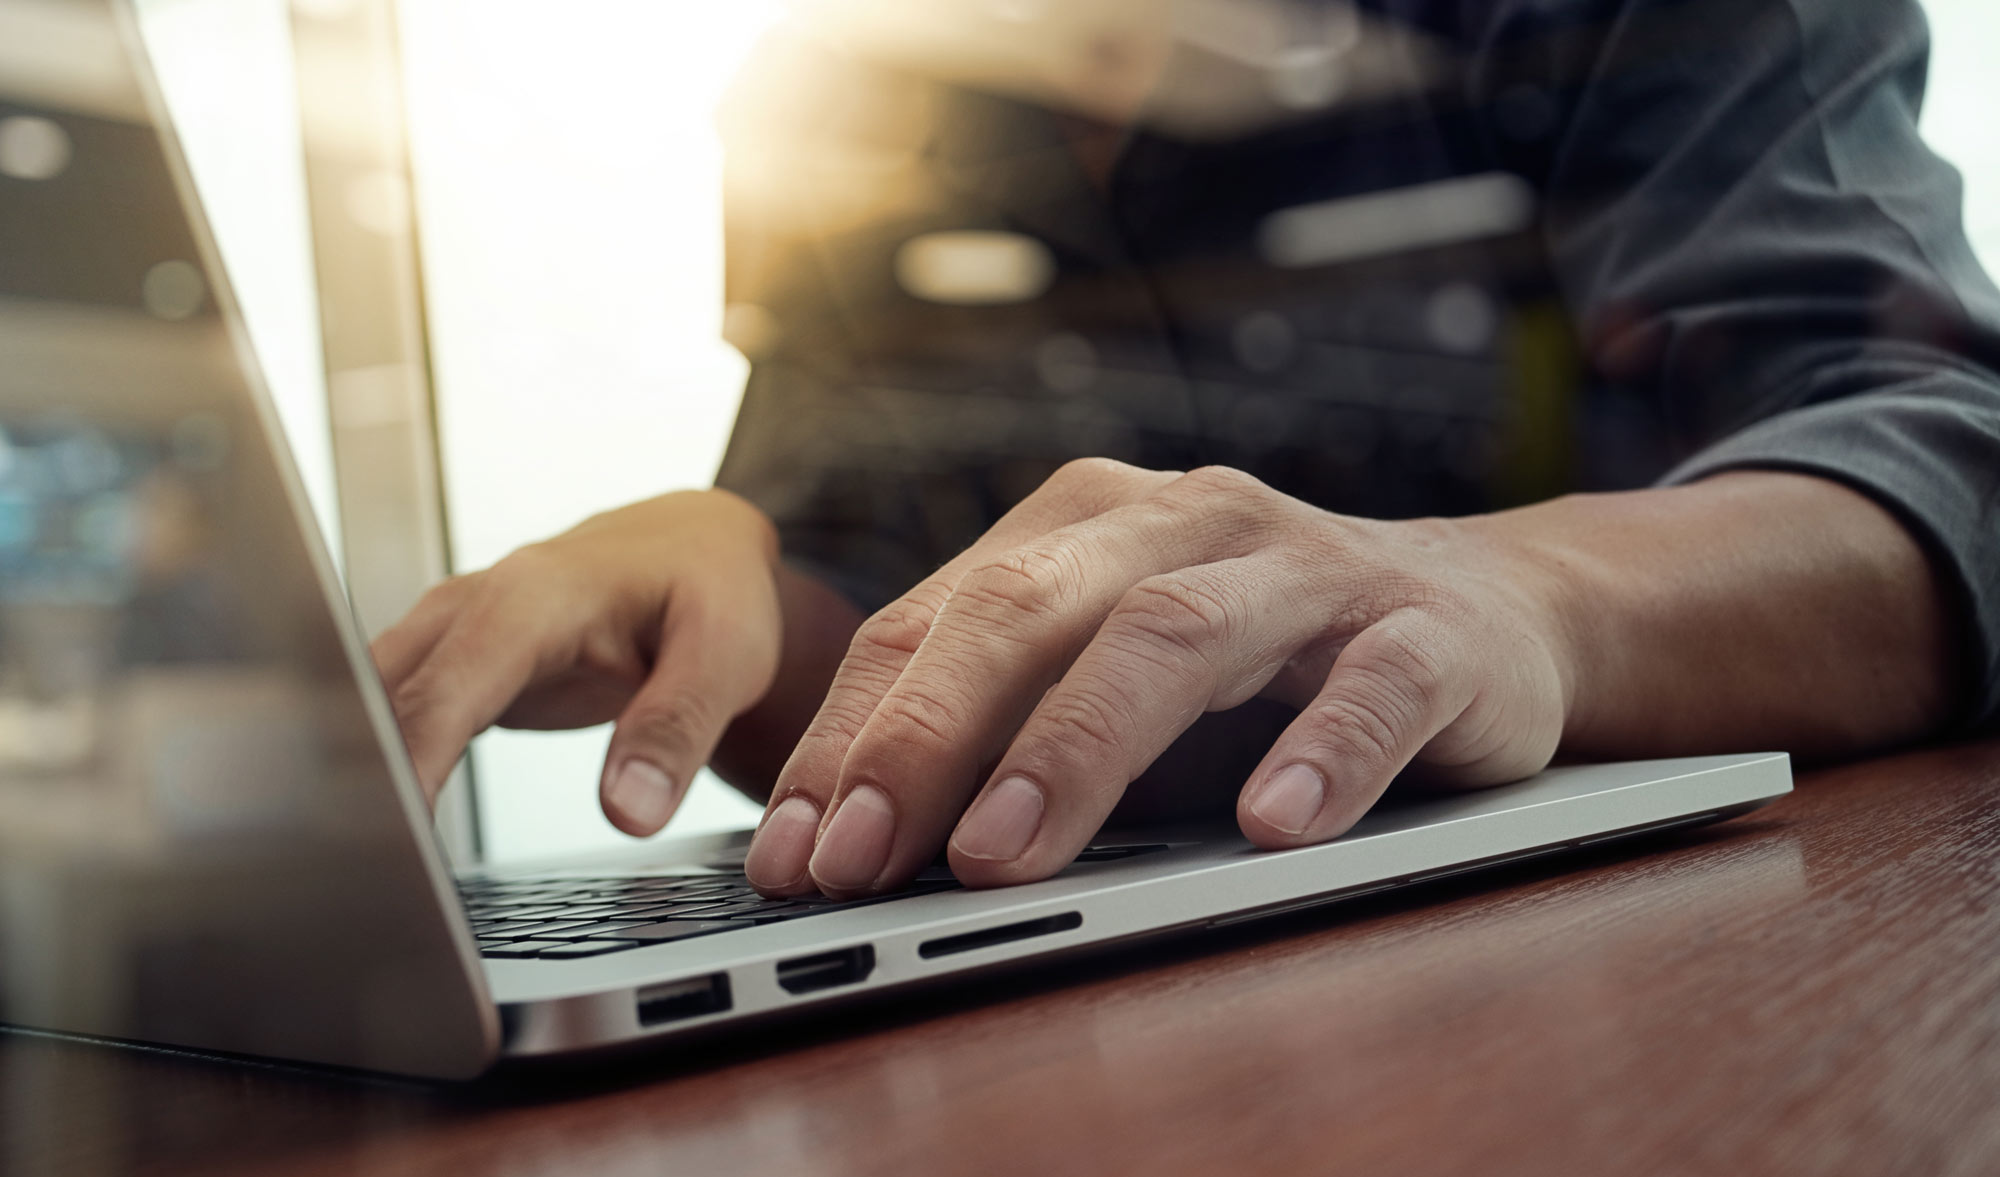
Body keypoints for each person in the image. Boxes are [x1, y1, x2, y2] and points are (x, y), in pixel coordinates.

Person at [372, 0, 2000, 901]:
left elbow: (1950, 461)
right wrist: (728, 606)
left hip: (1652, 974)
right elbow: (888, 642)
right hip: (1051, 1052)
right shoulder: (834, 78)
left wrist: (1520, 595)